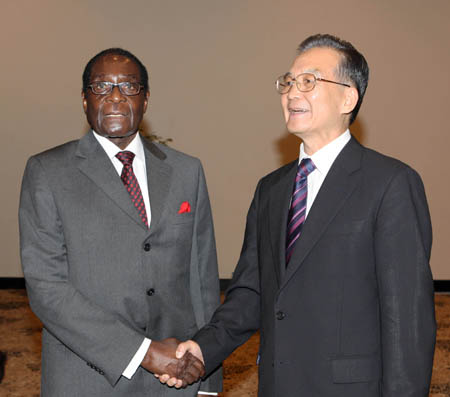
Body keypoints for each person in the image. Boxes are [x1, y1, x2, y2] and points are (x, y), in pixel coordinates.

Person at [161, 34, 436, 396]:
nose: (292, 93)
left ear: (348, 97)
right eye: (288, 82)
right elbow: (250, 293)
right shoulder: (271, 189)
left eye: (308, 82)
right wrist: (201, 347)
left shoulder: (390, 184)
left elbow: (408, 325)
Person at [19, 48, 221, 396]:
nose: (115, 97)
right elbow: (47, 289)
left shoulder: (187, 171)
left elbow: (201, 281)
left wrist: (207, 380)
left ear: (146, 100)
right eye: (101, 87)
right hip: (88, 378)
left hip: (176, 379)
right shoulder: (48, 172)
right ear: (84, 100)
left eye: (128, 86)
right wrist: (142, 352)